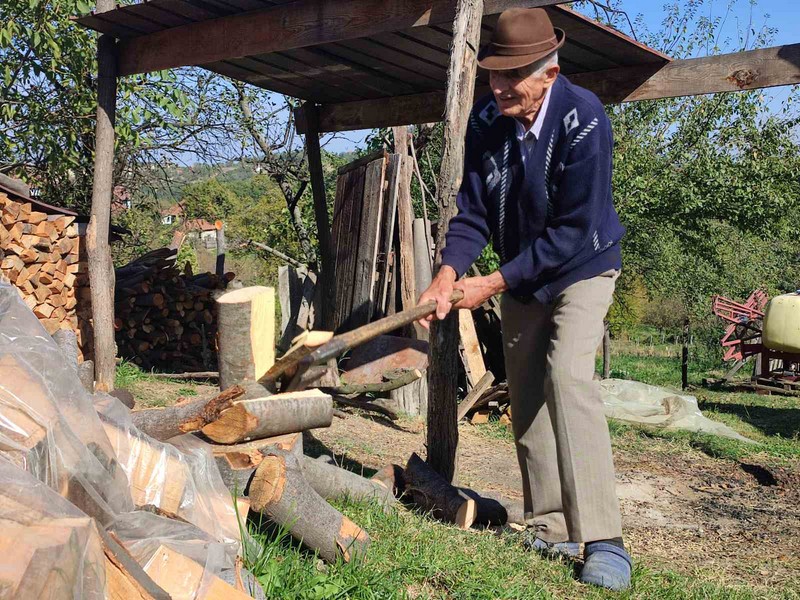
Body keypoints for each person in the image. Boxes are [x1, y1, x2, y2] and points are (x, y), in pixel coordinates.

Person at [417, 7, 632, 591]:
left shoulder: (585, 120)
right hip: (521, 274)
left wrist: (490, 283)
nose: (500, 87)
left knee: (566, 377)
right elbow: (474, 211)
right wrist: (448, 271)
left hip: (583, 265)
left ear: (550, 73)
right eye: (493, 74)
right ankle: (552, 522)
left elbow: (571, 232)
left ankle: (604, 538)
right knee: (529, 392)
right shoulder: (487, 118)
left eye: (514, 76)